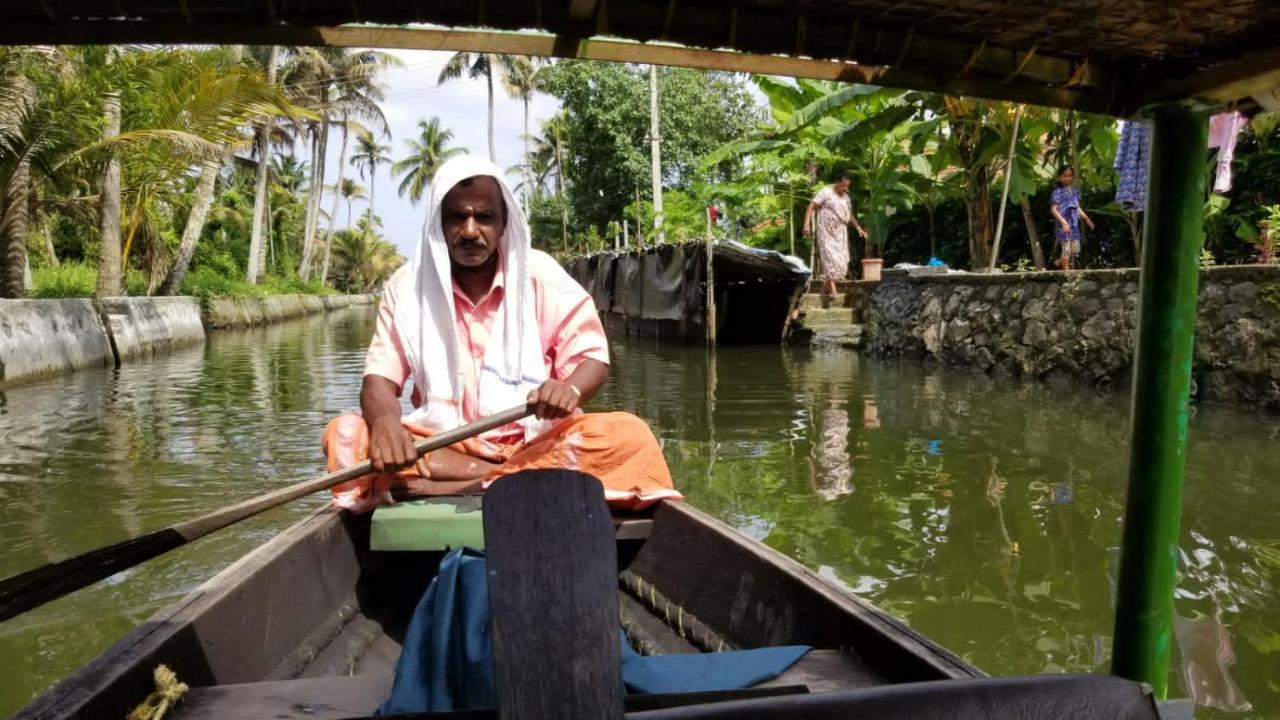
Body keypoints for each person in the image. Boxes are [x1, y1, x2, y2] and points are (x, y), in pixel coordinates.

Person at [322, 155, 682, 513]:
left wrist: (567, 387)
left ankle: (450, 484)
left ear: (504, 221)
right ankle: (511, 480)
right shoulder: (407, 288)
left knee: (629, 436)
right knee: (347, 434)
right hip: (442, 444)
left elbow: (592, 358)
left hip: (537, 442)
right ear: (438, 222)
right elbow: (379, 381)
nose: (469, 231)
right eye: (456, 217)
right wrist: (386, 425)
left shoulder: (541, 276)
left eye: (484, 217)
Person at [803, 170, 869, 298]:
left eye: (847, 186)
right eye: (843, 185)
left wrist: (858, 228)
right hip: (826, 232)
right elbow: (811, 206)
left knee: (842, 263)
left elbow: (850, 215)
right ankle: (833, 290)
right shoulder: (826, 192)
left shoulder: (846, 198)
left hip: (840, 233)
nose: (845, 188)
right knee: (831, 259)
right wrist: (807, 224)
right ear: (837, 182)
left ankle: (825, 286)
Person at [1049, 166, 1094, 271]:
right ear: (1059, 178)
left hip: (1074, 224)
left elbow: (1077, 208)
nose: (1068, 178)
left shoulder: (1075, 191)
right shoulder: (1057, 192)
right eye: (1065, 176)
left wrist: (1087, 219)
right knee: (1066, 249)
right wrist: (1063, 223)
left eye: (1070, 176)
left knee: (1076, 249)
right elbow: (1053, 210)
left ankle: (1058, 262)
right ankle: (1067, 273)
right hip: (1063, 224)